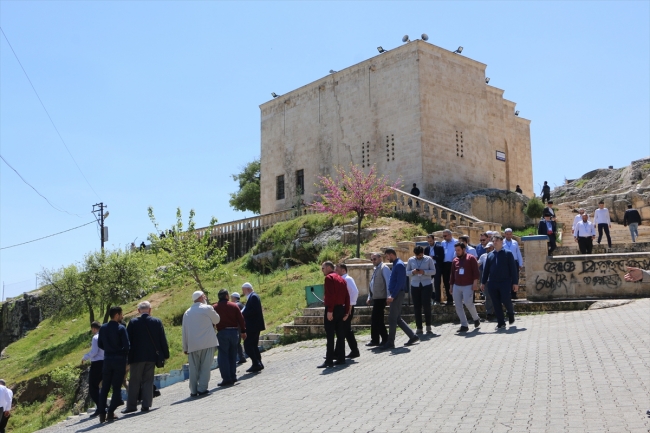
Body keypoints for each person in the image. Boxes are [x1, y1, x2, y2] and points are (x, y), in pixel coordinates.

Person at [124, 301, 169, 414]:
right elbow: (162, 339)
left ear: (139, 311)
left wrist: (127, 357)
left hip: (136, 358)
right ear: (150, 310)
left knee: (134, 381)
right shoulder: (156, 321)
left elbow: (128, 341)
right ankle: (146, 405)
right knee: (148, 380)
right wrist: (166, 354)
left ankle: (131, 406)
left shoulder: (133, 322)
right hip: (151, 356)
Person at [182, 291, 220, 397]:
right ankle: (202, 388)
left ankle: (193, 390)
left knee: (193, 369)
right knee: (205, 367)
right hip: (207, 342)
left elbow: (184, 331)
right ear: (202, 297)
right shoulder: (207, 308)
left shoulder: (187, 312)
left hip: (193, 345)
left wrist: (185, 347)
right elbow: (217, 320)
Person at [96, 306, 130, 423]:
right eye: (121, 314)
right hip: (119, 361)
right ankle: (110, 412)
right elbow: (127, 346)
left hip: (107, 360)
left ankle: (101, 413)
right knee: (116, 387)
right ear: (117, 315)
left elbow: (100, 344)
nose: (122, 316)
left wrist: (108, 349)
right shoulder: (121, 328)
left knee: (105, 387)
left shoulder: (103, 328)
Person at [381, 249, 419, 350]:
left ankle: (390, 342)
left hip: (397, 294)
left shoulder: (399, 265)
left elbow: (400, 282)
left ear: (391, 255)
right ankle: (412, 336)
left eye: (387, 256)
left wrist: (392, 296)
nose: (387, 258)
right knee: (397, 318)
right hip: (396, 294)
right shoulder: (396, 264)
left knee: (392, 318)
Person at [481, 235, 518, 330]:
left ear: (502, 242)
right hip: (492, 282)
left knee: (506, 299)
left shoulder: (508, 254)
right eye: (493, 241)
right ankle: (501, 322)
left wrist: (515, 283)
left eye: (497, 240)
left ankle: (510, 313)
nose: (495, 242)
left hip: (505, 282)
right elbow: (486, 270)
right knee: (496, 303)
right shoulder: (490, 255)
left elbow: (513, 269)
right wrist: (483, 282)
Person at [318, 262, 350, 368]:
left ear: (328, 267)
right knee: (341, 335)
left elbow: (330, 295)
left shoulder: (329, 278)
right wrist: (346, 312)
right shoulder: (342, 279)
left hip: (333, 309)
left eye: (323, 268)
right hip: (341, 309)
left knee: (330, 335)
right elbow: (347, 296)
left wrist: (330, 311)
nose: (322, 270)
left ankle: (329, 361)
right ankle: (341, 358)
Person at [213, 289, 247, 386]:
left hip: (222, 332)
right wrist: (243, 331)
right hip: (234, 332)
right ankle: (233, 376)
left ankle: (226, 378)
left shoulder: (215, 307)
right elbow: (241, 319)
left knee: (223, 356)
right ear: (227, 296)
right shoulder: (234, 305)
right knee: (233, 355)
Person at [450, 242, 481, 332]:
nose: (457, 252)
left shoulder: (471, 258)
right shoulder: (455, 260)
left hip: (468, 285)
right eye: (456, 250)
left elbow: (476, 272)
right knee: (458, 306)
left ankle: (476, 318)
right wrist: (451, 286)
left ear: (464, 249)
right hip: (457, 285)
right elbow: (452, 274)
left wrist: (475, 283)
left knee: (468, 303)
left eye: (459, 250)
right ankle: (464, 325)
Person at [405, 245, 436, 334]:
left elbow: (434, 271)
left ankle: (428, 326)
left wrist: (424, 272)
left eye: (421, 255)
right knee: (417, 307)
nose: (419, 257)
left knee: (427, 305)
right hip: (415, 285)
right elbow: (407, 272)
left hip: (426, 284)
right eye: (417, 256)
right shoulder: (411, 260)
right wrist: (412, 272)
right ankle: (419, 327)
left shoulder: (428, 259)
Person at [335, 264, 360, 359]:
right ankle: (354, 350)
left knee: (342, 330)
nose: (335, 271)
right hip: (345, 307)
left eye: (337, 270)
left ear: (343, 270)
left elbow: (355, 292)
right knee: (346, 330)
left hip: (347, 308)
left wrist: (350, 307)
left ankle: (337, 353)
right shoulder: (342, 279)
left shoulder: (347, 279)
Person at [366, 253, 390, 346]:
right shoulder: (376, 268)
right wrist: (369, 297)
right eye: (372, 259)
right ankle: (378, 339)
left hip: (381, 297)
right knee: (378, 319)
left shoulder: (384, 268)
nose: (373, 261)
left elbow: (388, 283)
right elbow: (372, 284)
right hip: (376, 297)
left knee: (376, 319)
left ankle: (381, 339)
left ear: (380, 258)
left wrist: (388, 296)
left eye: (374, 259)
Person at [241, 282, 266, 373]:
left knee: (248, 345)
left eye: (243, 290)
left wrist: (243, 314)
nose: (243, 293)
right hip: (254, 326)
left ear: (247, 289)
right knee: (254, 346)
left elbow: (254, 311)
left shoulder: (254, 297)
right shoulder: (252, 297)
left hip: (253, 326)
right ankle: (258, 363)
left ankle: (256, 363)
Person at [81, 321, 104, 416]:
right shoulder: (105, 336)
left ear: (94, 328)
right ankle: (102, 405)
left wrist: (85, 357)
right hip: (106, 362)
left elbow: (94, 351)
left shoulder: (95, 338)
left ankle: (100, 406)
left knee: (92, 387)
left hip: (97, 363)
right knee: (103, 385)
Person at [503, 228, 524, 299]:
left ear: (512, 235)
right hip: (505, 262)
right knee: (506, 277)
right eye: (507, 234)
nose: (508, 236)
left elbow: (518, 253)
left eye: (510, 234)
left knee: (515, 277)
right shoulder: (502, 242)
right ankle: (507, 293)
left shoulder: (515, 242)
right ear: (505, 234)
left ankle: (514, 293)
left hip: (514, 262)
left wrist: (520, 263)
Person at [424, 234, 445, 305]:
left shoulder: (439, 247)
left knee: (437, 284)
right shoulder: (426, 249)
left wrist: (433, 257)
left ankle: (437, 300)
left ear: (434, 239)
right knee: (427, 283)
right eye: (428, 241)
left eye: (431, 241)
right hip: (429, 267)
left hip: (437, 267)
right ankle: (432, 297)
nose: (430, 242)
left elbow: (442, 257)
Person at [477, 242, 495, 319]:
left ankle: (496, 311)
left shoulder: (497, 255)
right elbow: (477, 265)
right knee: (488, 296)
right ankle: (489, 312)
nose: (488, 249)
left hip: (496, 279)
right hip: (487, 279)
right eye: (487, 248)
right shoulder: (483, 256)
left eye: (489, 248)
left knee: (496, 296)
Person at [441, 229, 458, 305]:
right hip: (445, 264)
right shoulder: (443, 243)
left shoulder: (456, 242)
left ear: (450, 235)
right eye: (443, 236)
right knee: (446, 281)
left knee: (455, 281)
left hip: (454, 263)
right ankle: (449, 299)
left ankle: (457, 299)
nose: (444, 237)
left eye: (445, 235)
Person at [230, 292, 247, 364]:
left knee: (237, 342)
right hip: (244, 324)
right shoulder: (242, 304)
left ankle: (242, 357)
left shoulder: (235, 305)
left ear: (234, 297)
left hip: (238, 326)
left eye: (231, 297)